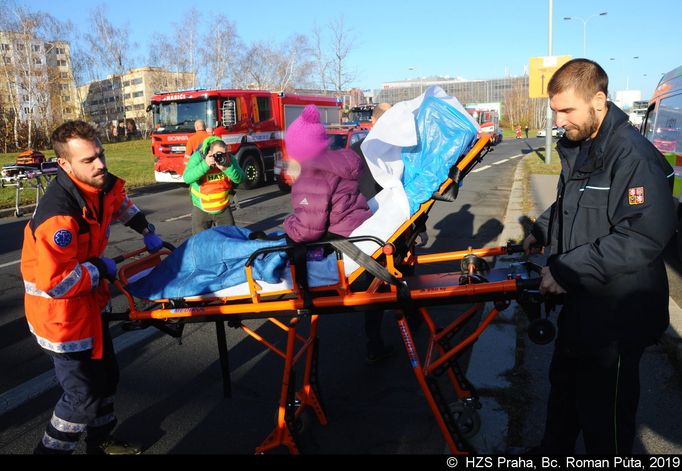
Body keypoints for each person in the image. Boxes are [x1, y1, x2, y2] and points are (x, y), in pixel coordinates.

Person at [522, 59, 676, 454]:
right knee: (562, 410)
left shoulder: (633, 156)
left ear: (599, 100)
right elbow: (572, 205)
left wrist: (569, 269)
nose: (559, 119)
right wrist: (541, 229)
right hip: (582, 307)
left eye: (567, 110)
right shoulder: (585, 146)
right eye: (555, 110)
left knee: (605, 426)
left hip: (615, 317)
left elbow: (642, 234)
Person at [21, 120, 164, 454]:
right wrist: (99, 268)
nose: (100, 164)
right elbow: (56, 283)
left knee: (107, 380)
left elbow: (120, 203)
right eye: (88, 160)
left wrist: (145, 228)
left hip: (89, 304)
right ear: (65, 165)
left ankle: (101, 443)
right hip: (61, 319)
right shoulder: (59, 216)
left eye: (100, 155)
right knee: (81, 398)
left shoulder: (100, 184)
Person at [283, 105, 393, 363]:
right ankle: (375, 343)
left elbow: (307, 231)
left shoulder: (312, 175)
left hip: (339, 248)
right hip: (357, 241)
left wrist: (288, 223)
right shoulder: (339, 164)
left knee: (284, 244)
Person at [183, 135, 245, 234]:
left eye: (224, 154)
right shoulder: (198, 157)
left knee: (230, 239)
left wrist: (227, 168)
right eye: (218, 154)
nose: (221, 158)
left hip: (223, 207)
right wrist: (205, 165)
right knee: (201, 242)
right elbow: (187, 178)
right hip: (201, 208)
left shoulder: (229, 159)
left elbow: (240, 178)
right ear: (210, 153)